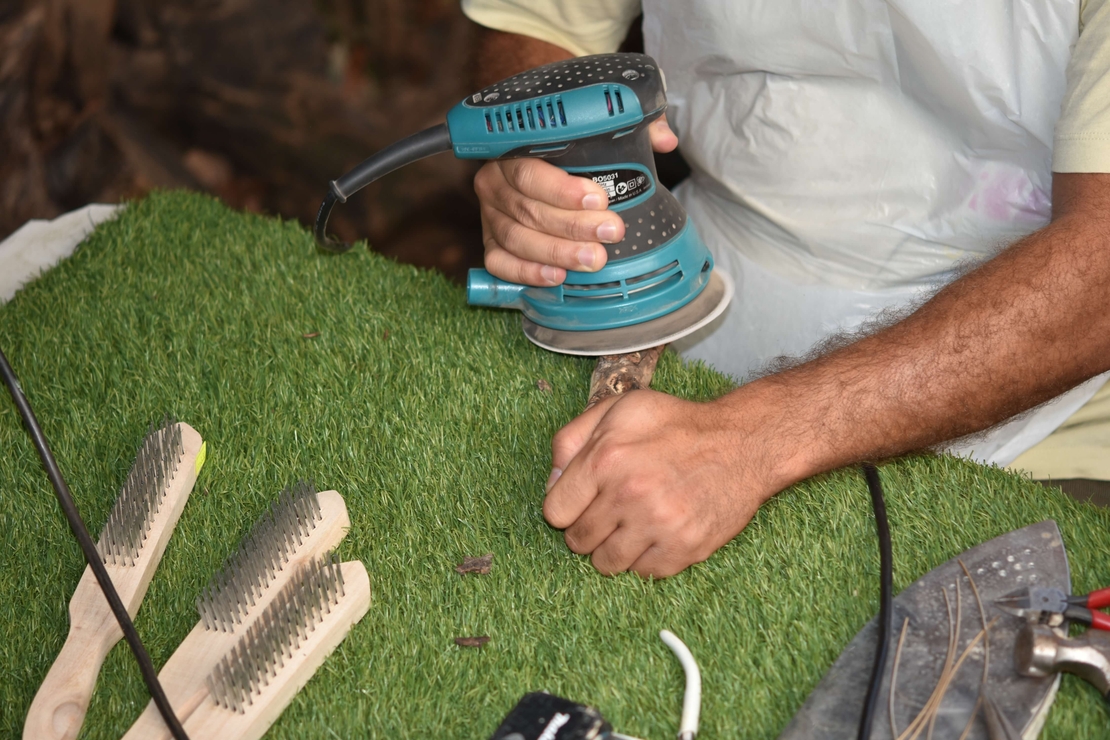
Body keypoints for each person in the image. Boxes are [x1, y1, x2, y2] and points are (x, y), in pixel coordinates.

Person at [462, 0, 1110, 577]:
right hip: (701, 281)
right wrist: (546, 167)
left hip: (1035, 401)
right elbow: (538, 23)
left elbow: (1100, 265)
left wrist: (748, 442)